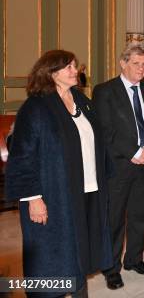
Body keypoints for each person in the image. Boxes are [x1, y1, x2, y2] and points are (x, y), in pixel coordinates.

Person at [6, 50, 112, 297]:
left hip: (86, 189)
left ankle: (78, 292)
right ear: (51, 73)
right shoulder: (36, 107)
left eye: (75, 66)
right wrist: (33, 198)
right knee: (52, 256)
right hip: (52, 195)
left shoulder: (81, 100)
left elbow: (96, 141)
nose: (76, 71)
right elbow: (22, 156)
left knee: (80, 250)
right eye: (69, 67)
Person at [93, 46, 144, 290]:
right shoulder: (105, 91)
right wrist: (135, 152)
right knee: (114, 219)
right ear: (123, 64)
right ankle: (111, 268)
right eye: (136, 64)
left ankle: (134, 259)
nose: (142, 69)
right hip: (119, 165)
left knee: (139, 216)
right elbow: (105, 129)